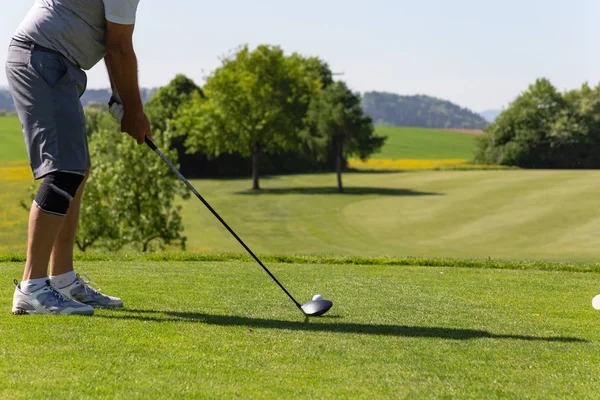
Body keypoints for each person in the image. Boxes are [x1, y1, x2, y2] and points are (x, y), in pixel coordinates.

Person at [6, 0, 152, 315]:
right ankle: (32, 288)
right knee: (65, 170)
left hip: (53, 60)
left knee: (77, 171)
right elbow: (119, 48)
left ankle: (62, 279)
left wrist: (122, 100)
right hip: (41, 56)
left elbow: (114, 45)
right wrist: (136, 114)